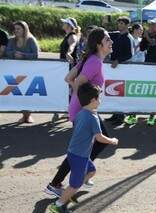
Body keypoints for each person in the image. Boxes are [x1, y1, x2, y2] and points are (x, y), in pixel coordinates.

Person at [45, 27, 115, 197]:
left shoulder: (90, 58)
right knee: (88, 146)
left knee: (86, 146)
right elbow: (77, 84)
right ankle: (55, 183)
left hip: (81, 108)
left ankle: (80, 170)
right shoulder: (94, 62)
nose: (111, 42)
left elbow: (68, 78)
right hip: (83, 109)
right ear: (99, 44)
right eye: (107, 40)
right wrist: (85, 99)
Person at [49, 83, 118, 212]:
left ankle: (69, 193)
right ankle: (57, 206)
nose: (100, 100)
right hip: (79, 156)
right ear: (93, 100)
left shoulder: (81, 112)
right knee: (75, 184)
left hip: (77, 153)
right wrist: (112, 141)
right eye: (99, 98)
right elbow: (99, 138)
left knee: (92, 171)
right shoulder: (93, 117)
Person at [5, 21, 39, 123]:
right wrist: (14, 54)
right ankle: (23, 115)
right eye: (15, 29)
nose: (16, 31)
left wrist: (23, 55)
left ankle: (28, 116)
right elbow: (7, 52)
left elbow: (35, 55)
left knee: (28, 93)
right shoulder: (11, 40)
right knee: (18, 94)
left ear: (24, 29)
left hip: (29, 72)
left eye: (18, 29)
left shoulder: (31, 40)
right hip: (14, 72)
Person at [105, 16, 134, 126]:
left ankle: (121, 116)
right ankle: (115, 114)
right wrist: (105, 24)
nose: (120, 25)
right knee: (114, 92)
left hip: (123, 69)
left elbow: (129, 54)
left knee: (120, 92)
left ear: (127, 25)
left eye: (122, 23)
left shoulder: (128, 38)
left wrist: (118, 60)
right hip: (114, 68)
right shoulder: (116, 34)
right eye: (119, 23)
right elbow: (104, 33)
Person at [125, 23, 145, 126]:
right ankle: (130, 113)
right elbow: (131, 52)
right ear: (135, 30)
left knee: (137, 91)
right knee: (129, 91)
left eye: (142, 30)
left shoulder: (142, 40)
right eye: (140, 29)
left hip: (141, 69)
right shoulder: (129, 38)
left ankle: (134, 114)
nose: (142, 31)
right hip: (131, 68)